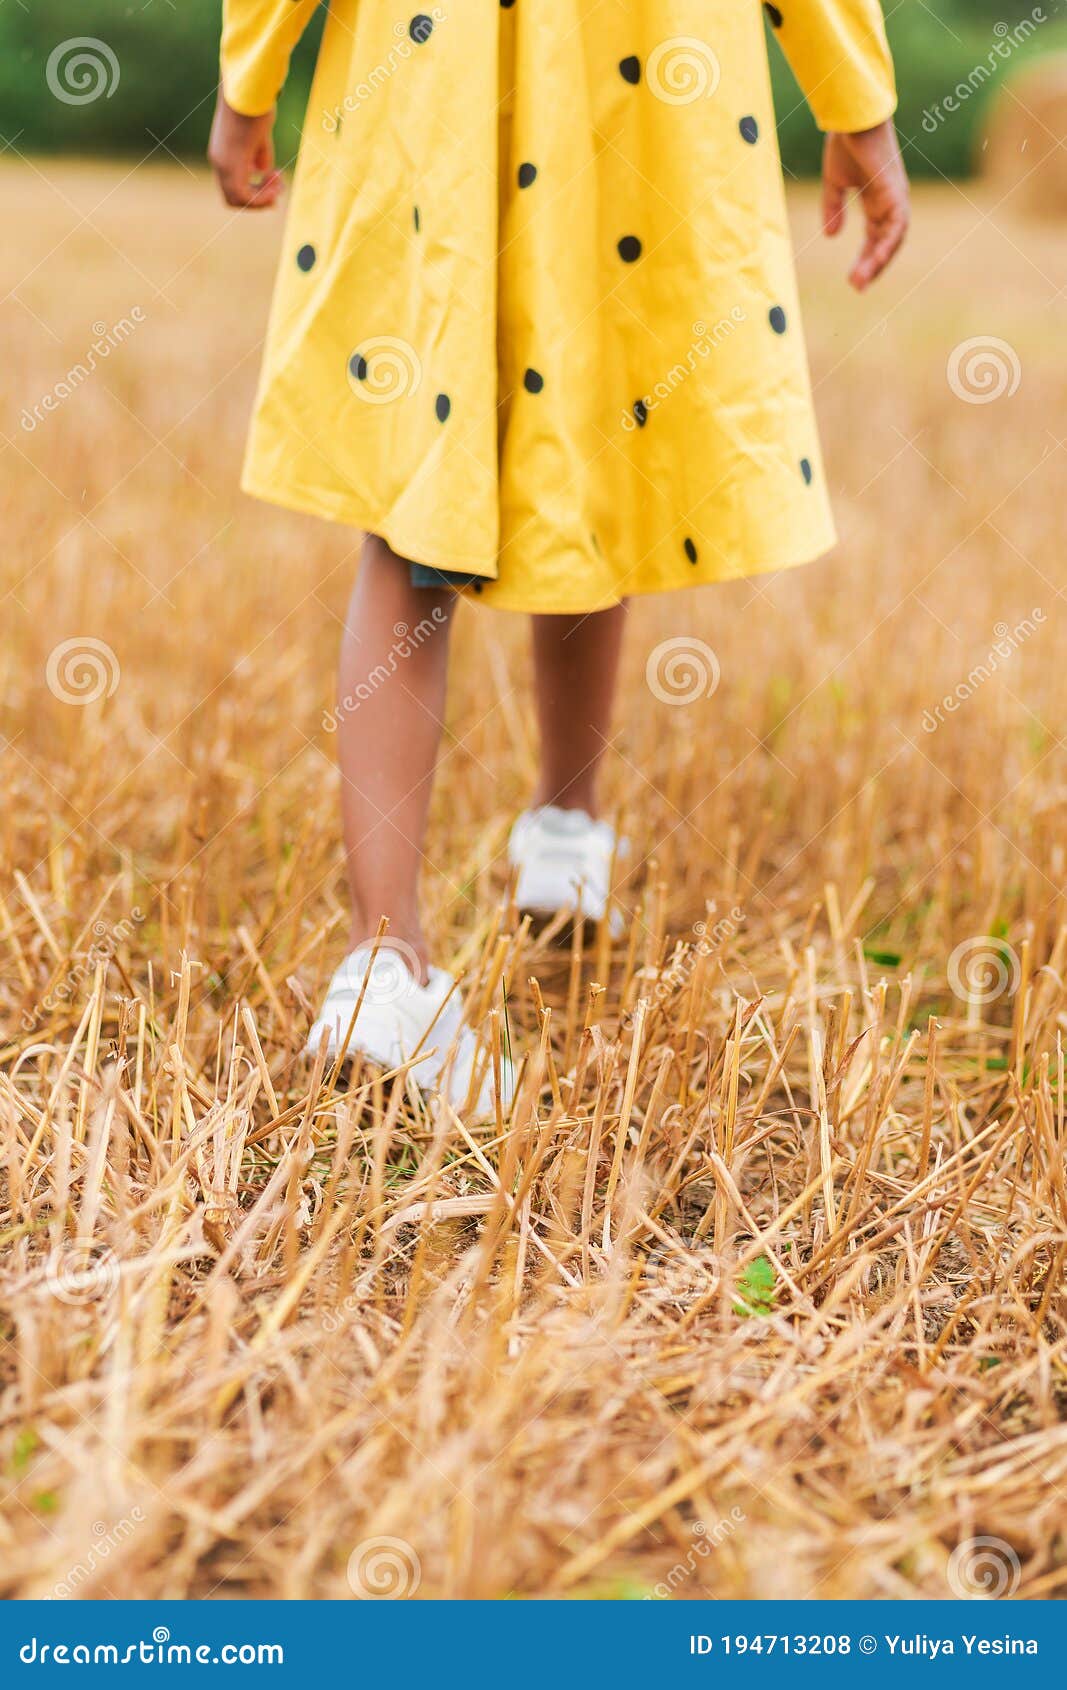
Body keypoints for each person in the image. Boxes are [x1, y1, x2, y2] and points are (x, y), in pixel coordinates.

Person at [210, 1, 909, 1112]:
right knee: (603, 412)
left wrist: (250, 76)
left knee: (417, 485)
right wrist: (853, 100)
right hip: (638, 81)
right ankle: (557, 838)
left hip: (428, 74)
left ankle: (396, 954)